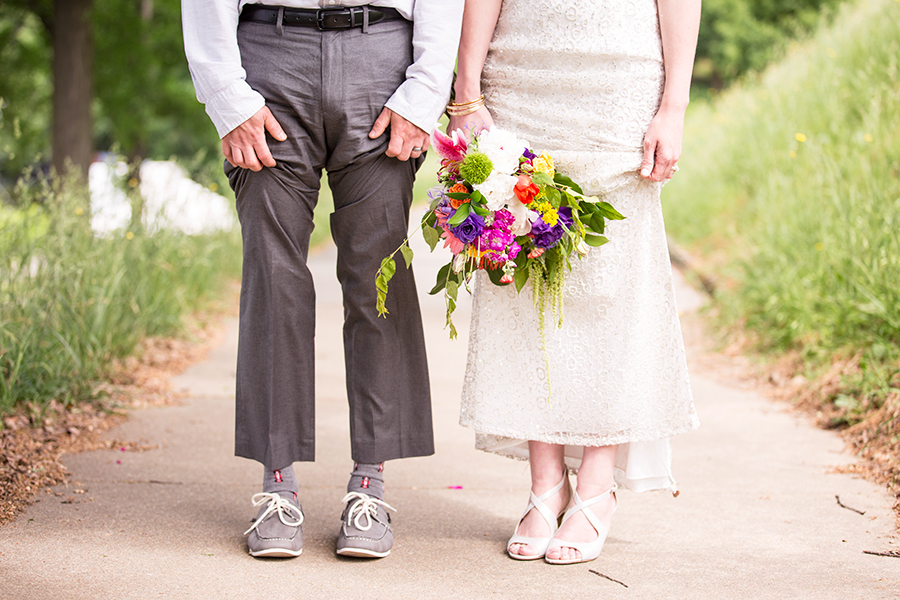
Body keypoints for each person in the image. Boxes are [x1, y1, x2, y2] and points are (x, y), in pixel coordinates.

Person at [182, 0, 463, 559]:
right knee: (273, 278)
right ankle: (277, 486)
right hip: (268, 56)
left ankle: (370, 486)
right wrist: (226, 98)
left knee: (379, 279)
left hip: (382, 56)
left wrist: (426, 92)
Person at [449, 0, 701, 564]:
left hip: (620, 77)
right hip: (520, 72)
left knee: (611, 285)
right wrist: (466, 93)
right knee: (527, 269)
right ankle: (545, 484)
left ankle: (596, 482)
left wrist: (674, 108)